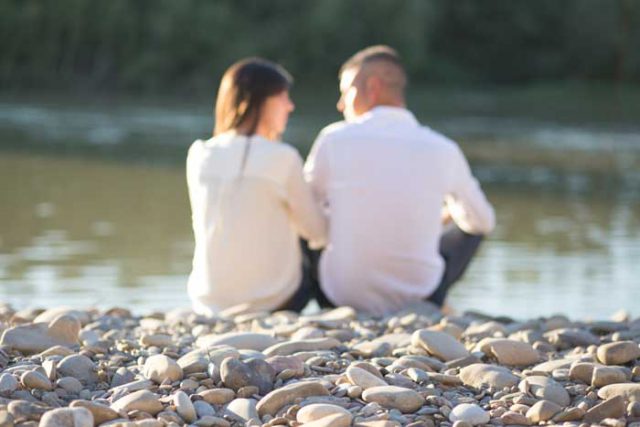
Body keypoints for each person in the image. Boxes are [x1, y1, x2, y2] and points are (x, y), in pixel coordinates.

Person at [304, 46, 495, 315]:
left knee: (300, 211)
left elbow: (305, 211)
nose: (340, 104)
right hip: (419, 294)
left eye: (345, 92)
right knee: (473, 225)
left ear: (372, 87)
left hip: (339, 297)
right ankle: (430, 305)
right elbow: (483, 221)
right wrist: (445, 213)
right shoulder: (442, 148)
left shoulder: (333, 139)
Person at [186, 58, 326, 315]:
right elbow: (317, 233)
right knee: (309, 227)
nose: (290, 106)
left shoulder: (199, 154)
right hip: (274, 301)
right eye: (284, 97)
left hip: (208, 300)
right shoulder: (284, 157)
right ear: (261, 101)